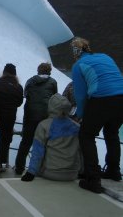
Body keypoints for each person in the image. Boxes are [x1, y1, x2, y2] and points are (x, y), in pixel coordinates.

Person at [71, 37, 123, 193]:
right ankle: (114, 171)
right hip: (121, 97)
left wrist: (80, 114)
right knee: (112, 133)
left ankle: (93, 180)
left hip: (101, 98)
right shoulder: (105, 56)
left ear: (76, 52)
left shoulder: (78, 65)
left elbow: (80, 95)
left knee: (86, 135)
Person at [21, 93, 81, 182]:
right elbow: (81, 151)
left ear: (51, 107)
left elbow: (38, 152)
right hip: (72, 174)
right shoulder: (77, 126)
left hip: (51, 173)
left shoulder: (44, 125)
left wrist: (31, 173)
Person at [15, 62, 57, 174]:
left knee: (25, 142)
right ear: (49, 71)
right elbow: (54, 98)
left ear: (38, 70)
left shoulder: (30, 80)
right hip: (45, 116)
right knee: (42, 142)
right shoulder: (52, 82)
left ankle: (19, 167)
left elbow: (25, 94)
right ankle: (39, 169)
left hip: (30, 114)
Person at [0, 63, 23, 171]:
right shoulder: (18, 87)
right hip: (9, 115)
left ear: (4, 72)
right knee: (5, 139)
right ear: (15, 74)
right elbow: (19, 102)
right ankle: (0, 162)